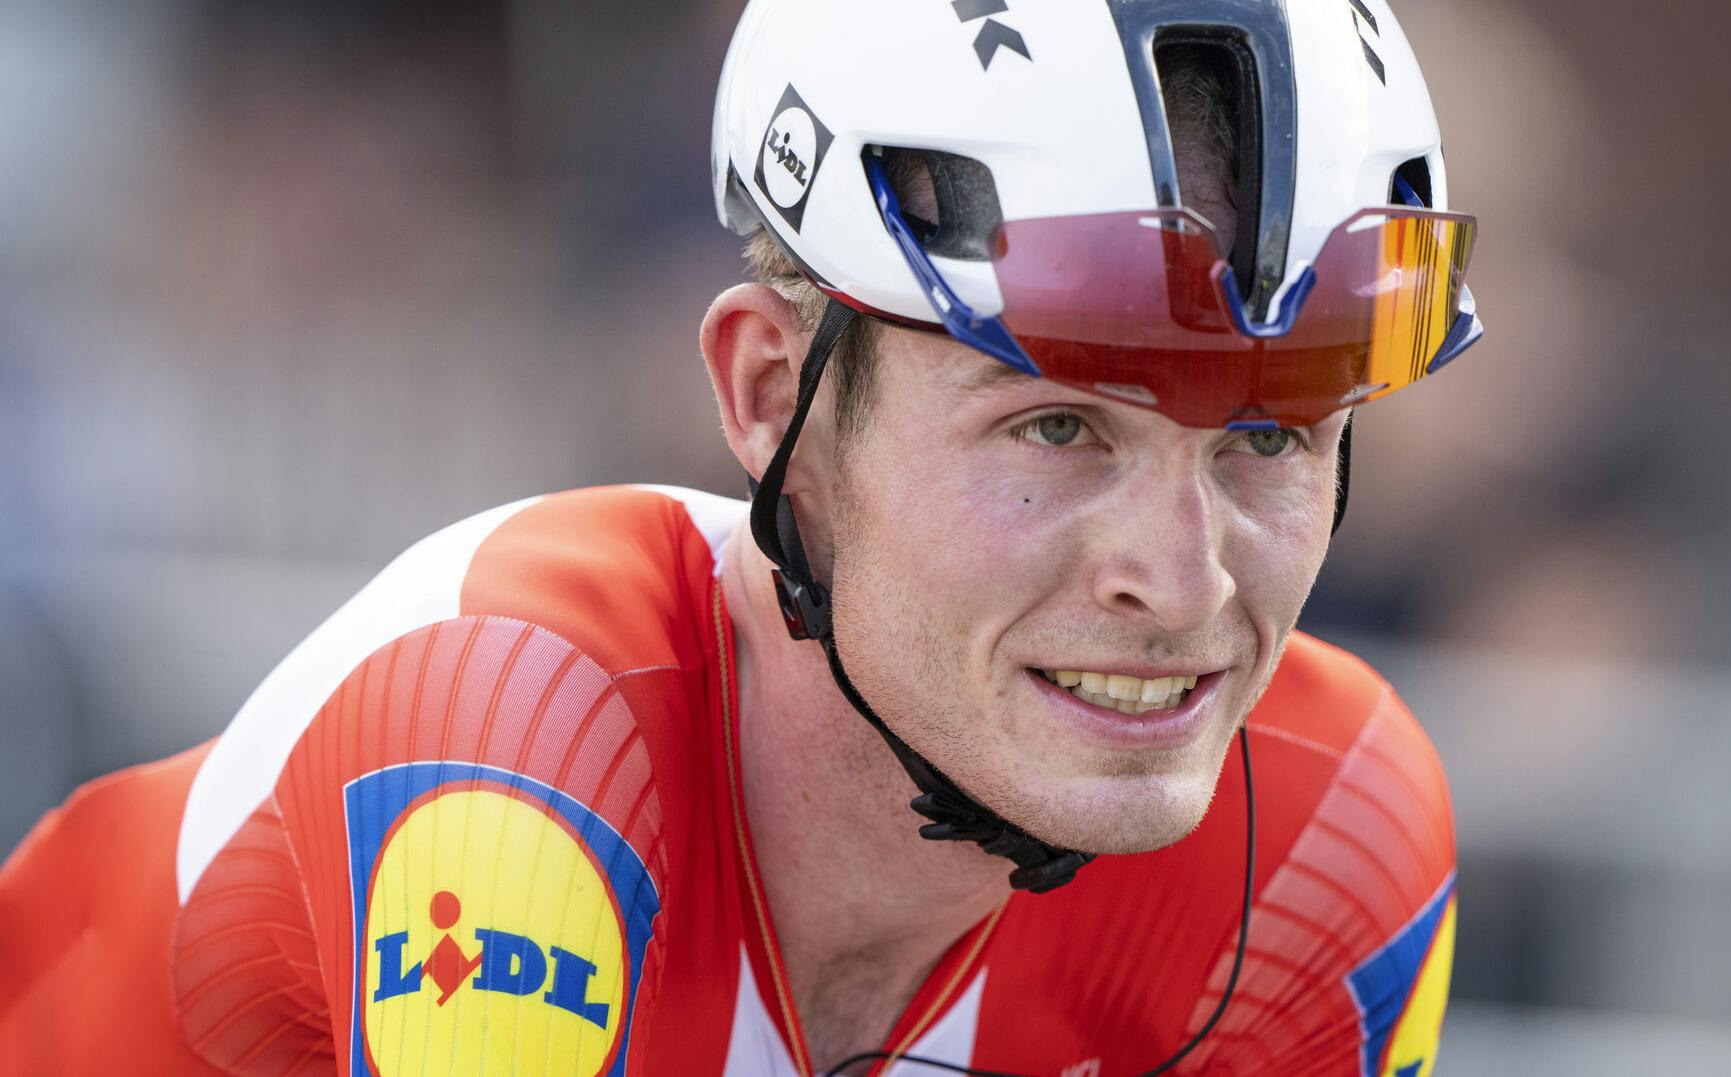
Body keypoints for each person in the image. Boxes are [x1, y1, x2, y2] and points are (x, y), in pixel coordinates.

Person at [0, 0, 1483, 1073]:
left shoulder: (1325, 838)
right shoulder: (517, 731)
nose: (1182, 580)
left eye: (1270, 437)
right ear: (771, 394)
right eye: (1058, 427)